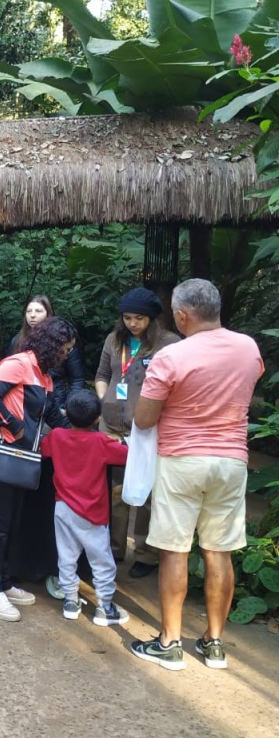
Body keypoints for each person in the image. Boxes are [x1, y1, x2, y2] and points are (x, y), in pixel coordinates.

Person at [130, 279, 263, 672]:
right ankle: (214, 643)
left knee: (175, 549)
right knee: (219, 551)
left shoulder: (171, 357)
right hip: (232, 462)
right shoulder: (249, 348)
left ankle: (170, 643)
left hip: (182, 461)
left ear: (183, 316)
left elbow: (144, 418)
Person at [0, 316, 77, 622]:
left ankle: (4, 582)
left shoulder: (45, 376)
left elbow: (52, 416)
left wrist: (79, 434)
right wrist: (15, 427)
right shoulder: (19, 363)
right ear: (51, 345)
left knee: (12, 521)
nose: (67, 355)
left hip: (17, 457)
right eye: (65, 349)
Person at [94, 287, 180, 578]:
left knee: (145, 492)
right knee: (115, 491)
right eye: (128, 318)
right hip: (111, 425)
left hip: (147, 429)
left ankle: (145, 553)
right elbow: (103, 375)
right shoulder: (113, 339)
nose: (132, 323)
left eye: (139, 319)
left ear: (153, 319)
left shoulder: (169, 344)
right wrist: (104, 400)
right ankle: (115, 548)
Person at [41, 390, 130, 625]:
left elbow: (43, 449)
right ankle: (104, 607)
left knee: (66, 557)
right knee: (102, 561)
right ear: (97, 419)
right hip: (93, 513)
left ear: (66, 414)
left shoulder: (57, 436)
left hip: (63, 509)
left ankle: (70, 600)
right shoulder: (100, 441)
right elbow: (127, 456)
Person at [9, 295, 84, 427]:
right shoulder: (17, 341)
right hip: (24, 407)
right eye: (29, 311)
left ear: (48, 314)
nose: (32, 315)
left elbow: (77, 379)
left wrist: (69, 407)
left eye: (38, 311)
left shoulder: (64, 340)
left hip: (56, 404)